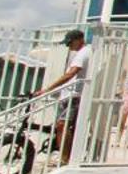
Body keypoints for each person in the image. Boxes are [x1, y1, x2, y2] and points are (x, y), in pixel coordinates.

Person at [35, 30, 90, 166]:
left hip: (74, 96)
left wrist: (48, 89)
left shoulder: (83, 53)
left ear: (79, 39)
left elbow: (70, 75)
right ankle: (63, 155)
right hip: (68, 95)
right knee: (61, 127)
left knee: (62, 126)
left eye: (70, 43)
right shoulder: (81, 53)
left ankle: (64, 159)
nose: (68, 46)